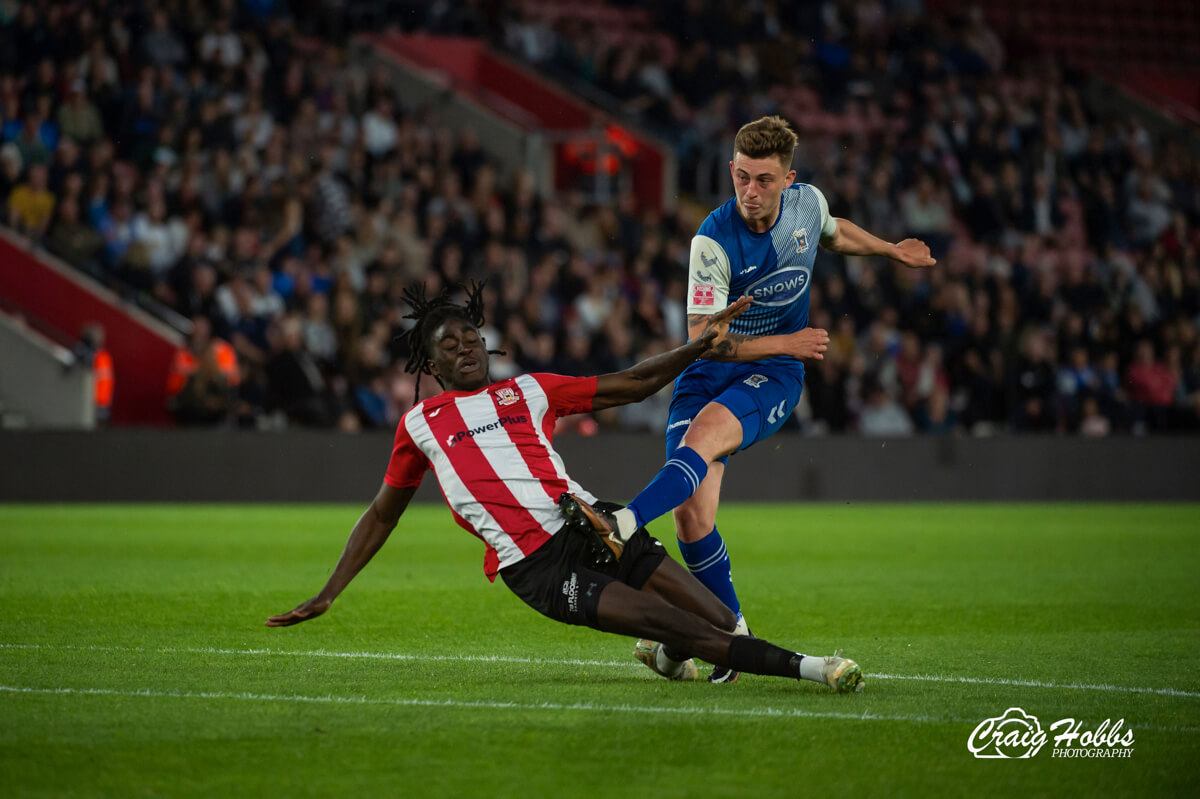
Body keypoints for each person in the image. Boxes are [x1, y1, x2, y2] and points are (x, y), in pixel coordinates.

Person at [267, 282, 864, 693]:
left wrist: (699, 346)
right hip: (539, 566)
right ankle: (817, 668)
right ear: (431, 366)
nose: (465, 348)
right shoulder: (419, 426)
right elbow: (380, 515)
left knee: (720, 621)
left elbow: (631, 384)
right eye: (448, 346)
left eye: (471, 337)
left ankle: (664, 659)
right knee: (677, 623)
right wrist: (330, 591)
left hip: (593, 523)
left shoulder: (530, 390)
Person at [559, 116, 934, 682]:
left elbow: (835, 232)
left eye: (763, 180)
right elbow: (700, 342)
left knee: (703, 439)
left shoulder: (807, 208)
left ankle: (626, 523)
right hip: (709, 371)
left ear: (788, 180)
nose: (750, 192)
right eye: (742, 178)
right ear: (731, 171)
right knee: (691, 516)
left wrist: (888, 251)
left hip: (777, 373)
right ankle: (710, 645)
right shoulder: (712, 240)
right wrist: (787, 337)